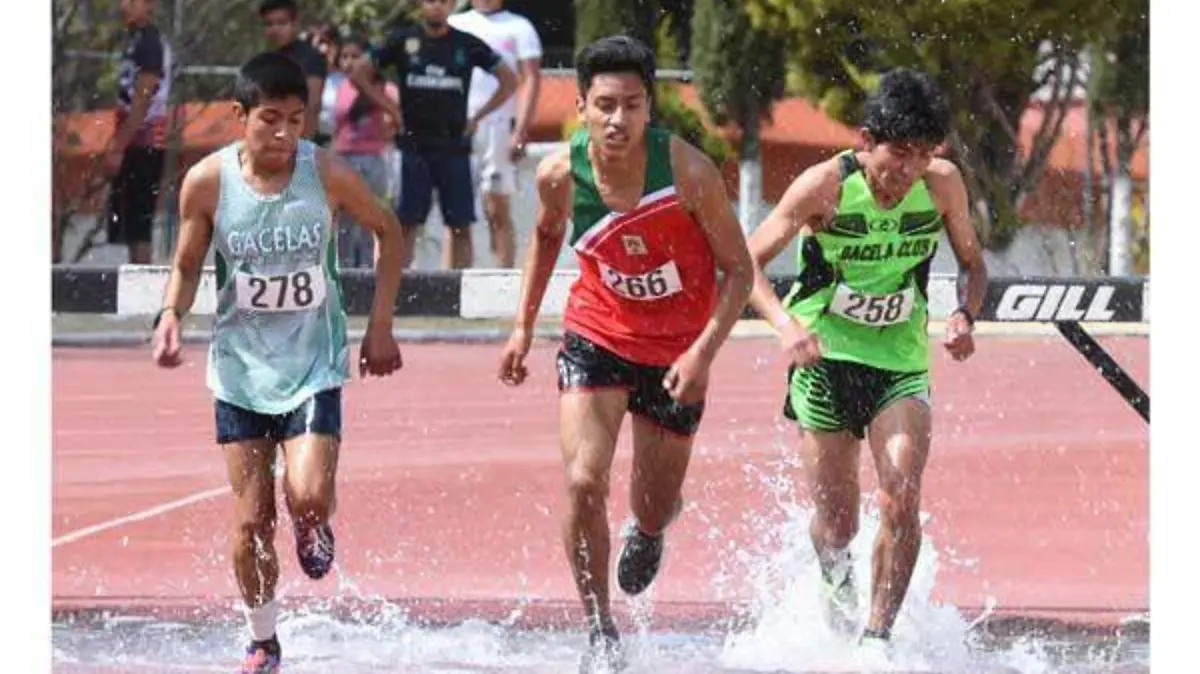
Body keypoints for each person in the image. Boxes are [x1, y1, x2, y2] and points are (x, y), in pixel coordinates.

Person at [497, 35, 755, 671]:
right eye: (605, 105)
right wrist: (522, 328)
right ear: (582, 105)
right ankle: (600, 626)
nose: (618, 120)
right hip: (598, 333)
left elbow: (741, 273)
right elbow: (545, 239)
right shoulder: (560, 174)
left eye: (632, 106)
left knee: (652, 503)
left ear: (649, 108)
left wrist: (702, 354)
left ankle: (652, 527)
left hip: (676, 353)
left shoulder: (689, 172)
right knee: (584, 480)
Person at [149, 52, 405, 674]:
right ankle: (263, 640)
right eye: (270, 120)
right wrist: (172, 316)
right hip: (239, 370)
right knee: (250, 521)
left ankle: (314, 526)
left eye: (298, 119)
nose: (286, 134)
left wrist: (379, 326)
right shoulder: (208, 183)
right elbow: (186, 264)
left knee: (308, 496)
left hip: (314, 361)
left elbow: (390, 231)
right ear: (239, 117)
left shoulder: (329, 174)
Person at [743, 67, 988, 655]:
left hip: (900, 363)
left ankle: (875, 640)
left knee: (901, 492)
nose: (906, 171)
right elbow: (745, 262)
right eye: (897, 154)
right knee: (838, 526)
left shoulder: (943, 185)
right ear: (865, 141)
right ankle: (835, 583)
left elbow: (974, 266)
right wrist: (785, 324)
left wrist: (964, 317)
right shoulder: (822, 186)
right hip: (825, 361)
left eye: (922, 155)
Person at [348, 0, 518, 270]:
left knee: (460, 225)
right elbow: (358, 72)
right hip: (413, 147)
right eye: (430, 0)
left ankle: (457, 295)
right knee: (405, 222)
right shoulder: (402, 40)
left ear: (451, 6)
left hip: (455, 147)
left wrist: (478, 116)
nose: (436, 6)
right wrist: (392, 109)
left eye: (443, 1)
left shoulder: (467, 44)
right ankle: (398, 291)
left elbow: (509, 80)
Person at [448, 0, 543, 268]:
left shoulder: (519, 27)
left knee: (496, 209)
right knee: (455, 214)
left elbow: (531, 79)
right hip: (457, 129)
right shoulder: (456, 23)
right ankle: (449, 287)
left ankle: (504, 282)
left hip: (499, 128)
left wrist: (521, 131)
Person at [105, 0, 173, 264]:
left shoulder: (150, 44)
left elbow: (143, 100)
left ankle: (144, 294)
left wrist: (118, 147)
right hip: (131, 140)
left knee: (140, 228)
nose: (125, 6)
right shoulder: (134, 41)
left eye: (134, 1)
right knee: (130, 227)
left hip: (145, 142)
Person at [332, 34, 400, 268]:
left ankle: (369, 271)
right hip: (343, 158)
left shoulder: (386, 89)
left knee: (370, 219)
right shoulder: (337, 88)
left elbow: (395, 123)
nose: (349, 62)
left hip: (374, 157)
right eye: (344, 57)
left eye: (355, 56)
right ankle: (345, 271)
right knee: (343, 222)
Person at [259, 0, 326, 140]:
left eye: (282, 23)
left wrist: (301, 146)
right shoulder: (269, 60)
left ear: (295, 24)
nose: (275, 29)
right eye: (269, 24)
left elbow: (312, 104)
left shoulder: (310, 57)